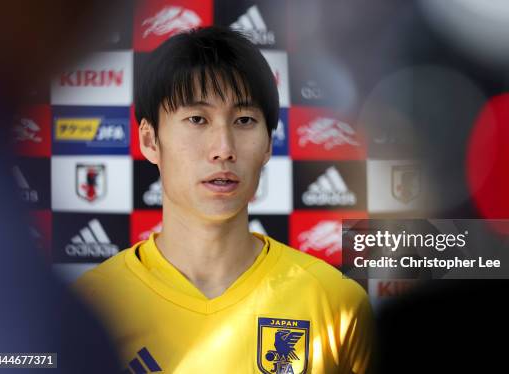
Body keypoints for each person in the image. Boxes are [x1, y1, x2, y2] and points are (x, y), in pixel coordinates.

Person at [74, 26, 373, 373]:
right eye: (197, 119)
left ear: (267, 144)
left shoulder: (335, 301)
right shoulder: (90, 308)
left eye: (244, 120)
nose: (224, 149)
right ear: (150, 140)